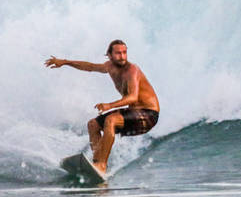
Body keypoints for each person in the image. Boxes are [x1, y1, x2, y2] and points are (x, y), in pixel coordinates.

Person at [44, 40, 160, 176]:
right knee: (93, 124)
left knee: (111, 120)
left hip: (148, 114)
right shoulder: (109, 66)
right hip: (133, 112)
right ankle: (97, 164)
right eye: (118, 53)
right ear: (109, 55)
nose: (122, 56)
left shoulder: (132, 70)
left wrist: (109, 105)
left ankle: (101, 165)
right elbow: (89, 66)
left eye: (124, 52)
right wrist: (65, 62)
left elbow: (133, 97)